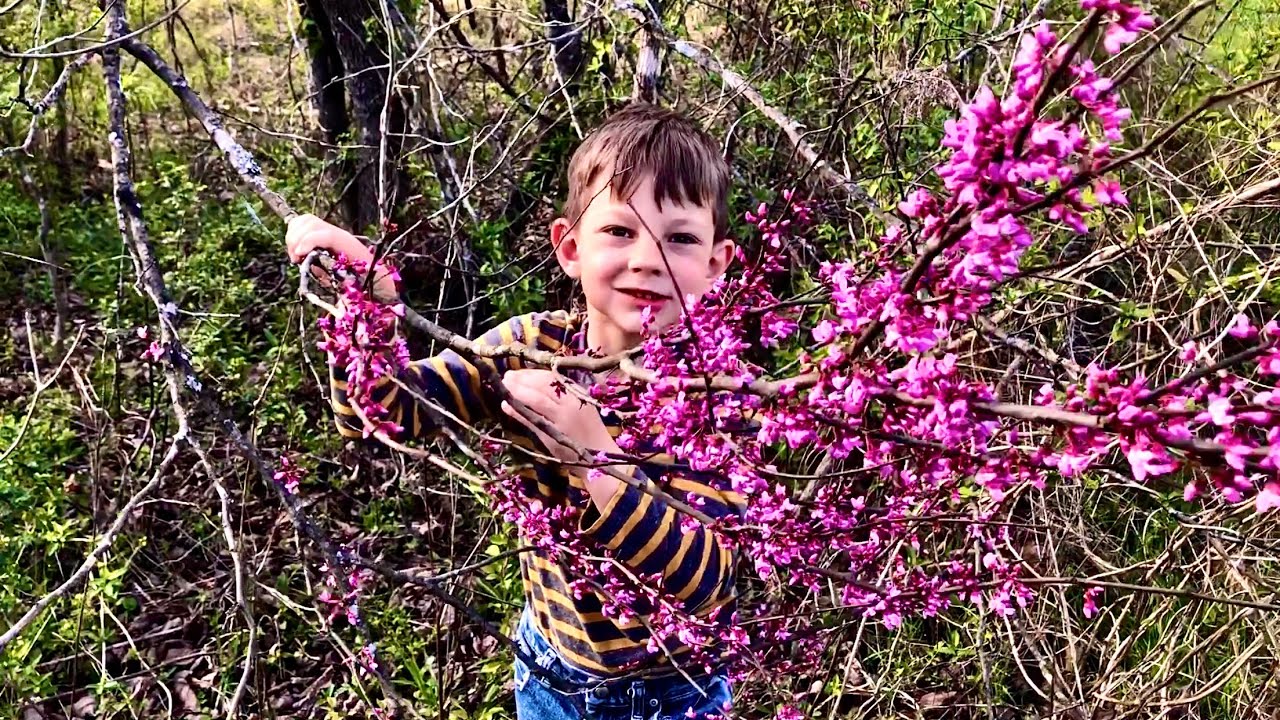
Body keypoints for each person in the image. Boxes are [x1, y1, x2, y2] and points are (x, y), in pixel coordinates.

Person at [285, 103, 744, 719]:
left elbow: (705, 581)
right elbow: (380, 415)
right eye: (619, 231)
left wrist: (595, 456)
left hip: (674, 689)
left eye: (681, 238)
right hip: (549, 670)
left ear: (716, 264)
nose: (647, 260)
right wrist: (369, 308)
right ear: (569, 246)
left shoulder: (721, 395)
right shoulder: (529, 348)